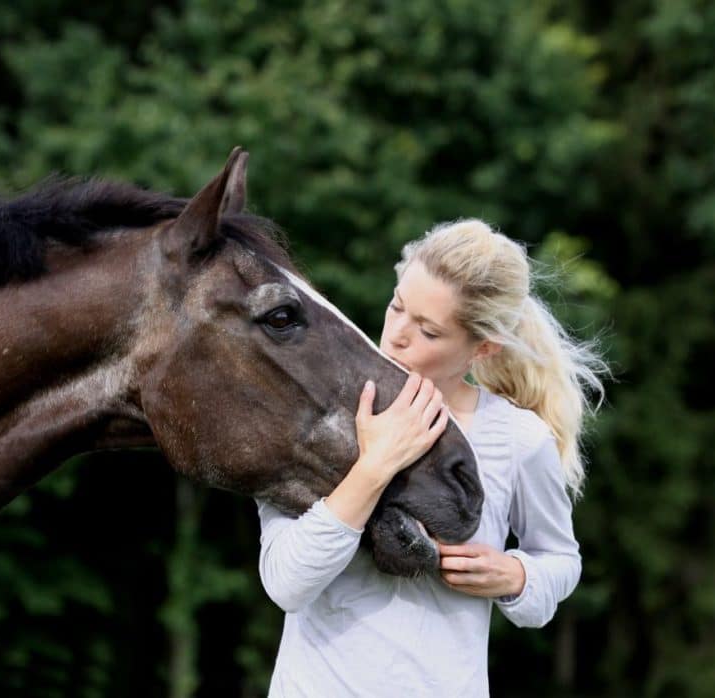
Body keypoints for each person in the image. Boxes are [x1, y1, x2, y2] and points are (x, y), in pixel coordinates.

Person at [256, 219, 608, 697]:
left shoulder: (519, 439)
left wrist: (516, 576)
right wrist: (376, 465)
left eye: (428, 330)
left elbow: (560, 559)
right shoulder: (316, 411)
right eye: (397, 306)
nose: (397, 335)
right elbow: (286, 583)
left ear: (483, 347)